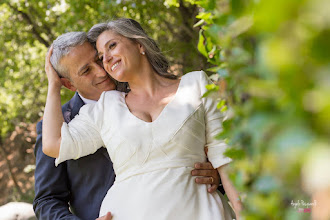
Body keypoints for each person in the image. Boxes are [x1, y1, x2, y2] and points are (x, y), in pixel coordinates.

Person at [42, 18, 242, 219]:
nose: (104, 64)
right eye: (102, 56)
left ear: (139, 44)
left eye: (112, 46)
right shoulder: (106, 106)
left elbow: (225, 157)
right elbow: (52, 144)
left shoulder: (196, 83)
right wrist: (53, 86)